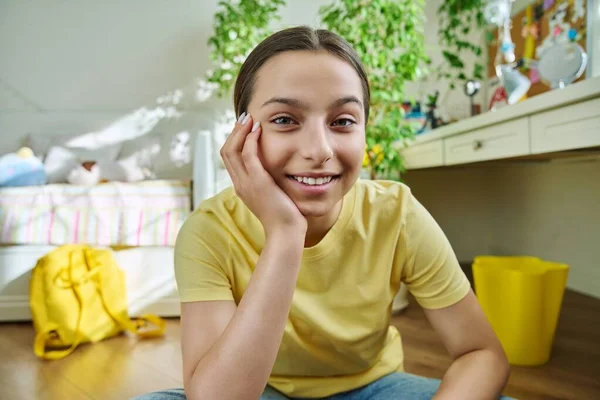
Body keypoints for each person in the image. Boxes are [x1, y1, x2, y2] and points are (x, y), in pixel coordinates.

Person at [135, 26, 512, 400]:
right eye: (284, 119)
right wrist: (284, 234)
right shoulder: (210, 231)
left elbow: (482, 354)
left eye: (343, 121)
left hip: (374, 390)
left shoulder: (397, 214)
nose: (319, 150)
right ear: (242, 134)